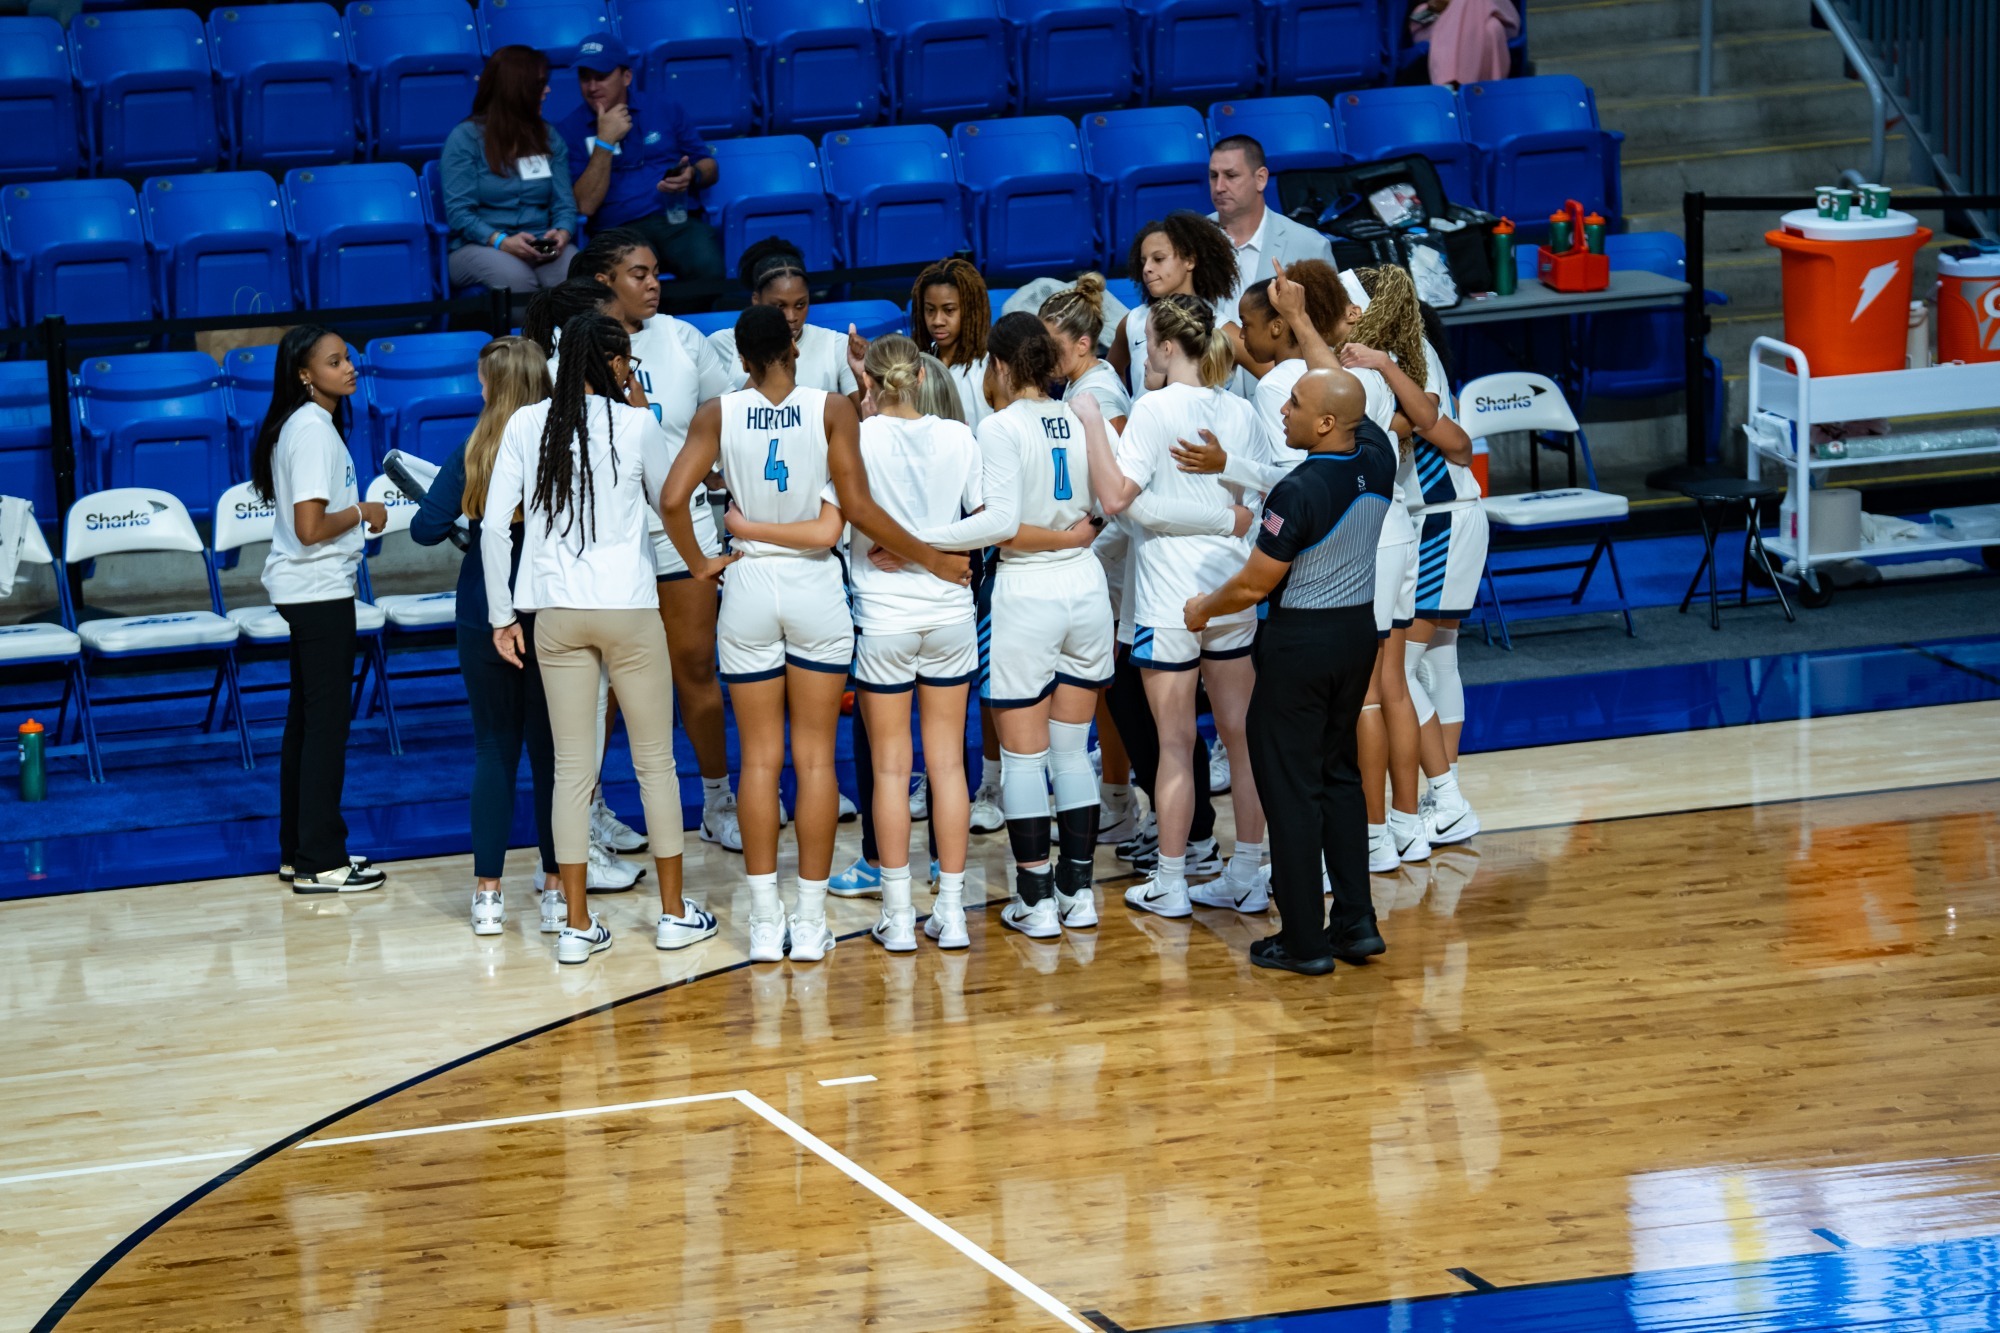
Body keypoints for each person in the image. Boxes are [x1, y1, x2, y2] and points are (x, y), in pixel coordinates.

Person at [663, 306, 969, 964]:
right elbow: (854, 509)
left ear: (742, 359)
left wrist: (699, 561)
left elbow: (669, 498)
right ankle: (809, 921)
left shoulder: (717, 412)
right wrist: (934, 557)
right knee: (816, 760)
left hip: (746, 585)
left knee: (760, 761)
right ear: (793, 350)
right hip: (814, 587)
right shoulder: (831, 408)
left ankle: (766, 922)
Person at [482, 312, 713, 965]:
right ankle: (672, 915)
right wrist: (639, 407)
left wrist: (503, 614)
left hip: (556, 612)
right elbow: (672, 500)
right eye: (627, 363)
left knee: (572, 772)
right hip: (629, 609)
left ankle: (576, 924)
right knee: (655, 766)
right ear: (613, 363)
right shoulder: (636, 423)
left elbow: (497, 527)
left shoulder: (529, 423)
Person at [1184, 367, 1395, 976]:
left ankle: (1303, 940)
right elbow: (1349, 391)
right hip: (1357, 636)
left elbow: (1254, 583)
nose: (1283, 412)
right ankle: (1355, 923)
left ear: (1326, 422)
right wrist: (1304, 323)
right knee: (1339, 776)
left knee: (1290, 789)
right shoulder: (1377, 457)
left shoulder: (1297, 491)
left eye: (1296, 405)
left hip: (1300, 643)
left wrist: (1203, 608)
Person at [915, 313, 1111, 938]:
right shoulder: (1081, 416)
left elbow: (997, 522)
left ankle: (1037, 899)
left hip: (1028, 589)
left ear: (997, 366)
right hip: (1086, 582)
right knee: (1073, 752)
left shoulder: (999, 427)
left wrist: (920, 538)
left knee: (1025, 761)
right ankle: (1078, 893)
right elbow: (1111, 501)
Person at [1080, 295, 1269, 920]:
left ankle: (1169, 880)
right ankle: (1246, 871)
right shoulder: (1240, 410)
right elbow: (1255, 496)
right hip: (1229, 587)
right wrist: (1222, 518)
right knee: (1240, 740)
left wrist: (1088, 424)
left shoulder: (1152, 409)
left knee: (1174, 743)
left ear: (1162, 346)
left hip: (1168, 598)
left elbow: (1114, 498)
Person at [564, 231, 742, 854]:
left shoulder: (683, 339)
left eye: (655, 271)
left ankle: (719, 801)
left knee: (695, 666)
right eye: (638, 273)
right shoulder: (565, 345)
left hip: (682, 527)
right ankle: (590, 810)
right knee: (604, 683)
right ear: (605, 282)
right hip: (606, 537)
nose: (652, 283)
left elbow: (725, 417)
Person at [411, 337, 590, 935]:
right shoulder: (567, 441)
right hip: (552, 605)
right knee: (551, 755)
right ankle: (554, 889)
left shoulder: (475, 445)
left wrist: (471, 514)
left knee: (494, 748)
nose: (479, 390)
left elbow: (425, 530)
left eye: (483, 381)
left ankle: (488, 895)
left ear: (494, 386)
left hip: (483, 607)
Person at [845, 335, 980, 952]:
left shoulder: (857, 437)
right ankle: (950, 912)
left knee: (891, 770)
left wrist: (899, 543)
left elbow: (840, 518)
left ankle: (898, 916)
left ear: (869, 383)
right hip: (951, 611)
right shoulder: (958, 435)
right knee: (948, 765)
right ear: (923, 379)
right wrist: (933, 544)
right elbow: (988, 521)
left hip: (885, 617)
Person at [252, 325, 388, 894]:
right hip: (317, 589)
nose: (349, 367)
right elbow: (310, 529)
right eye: (334, 362)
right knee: (325, 728)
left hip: (308, 589)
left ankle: (300, 851)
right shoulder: (311, 430)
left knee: (307, 725)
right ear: (306, 375)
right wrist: (363, 512)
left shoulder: (307, 425)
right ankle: (321, 861)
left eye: (349, 358)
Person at [1041, 274, 1138, 843]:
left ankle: (1120, 802)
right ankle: (1112, 799)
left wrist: (1081, 537)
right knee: (1098, 686)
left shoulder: (1100, 395)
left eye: (1052, 344)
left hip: (1108, 562)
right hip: (1092, 561)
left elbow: (1118, 488)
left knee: (1108, 688)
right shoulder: (1081, 386)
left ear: (1082, 344)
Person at [555, 33, 725, 284]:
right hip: (617, 231)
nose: (591, 88)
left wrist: (693, 175)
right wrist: (605, 141)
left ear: (626, 77)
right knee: (631, 281)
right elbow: (585, 205)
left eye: (601, 77)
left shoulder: (664, 108)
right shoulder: (570, 130)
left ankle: (679, 322)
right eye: (584, 78)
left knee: (707, 266)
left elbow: (710, 166)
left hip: (672, 221)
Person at [441, 46, 579, 295]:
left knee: (576, 274)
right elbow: (459, 213)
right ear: (516, 90)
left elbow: (565, 205)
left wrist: (562, 232)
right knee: (517, 280)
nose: (547, 91)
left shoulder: (549, 137)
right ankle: (528, 336)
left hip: (540, 243)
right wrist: (502, 241)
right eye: (539, 84)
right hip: (481, 244)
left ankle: (571, 336)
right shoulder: (465, 138)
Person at [1106, 212, 1240, 405]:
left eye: (1158, 259)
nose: (1147, 269)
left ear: (1190, 261)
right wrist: (1121, 416)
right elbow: (1110, 375)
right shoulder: (1133, 321)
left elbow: (1275, 372)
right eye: (1143, 262)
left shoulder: (1220, 326)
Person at [707, 238, 861, 400]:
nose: (791, 317)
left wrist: (862, 375)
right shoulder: (721, 345)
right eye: (780, 306)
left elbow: (864, 417)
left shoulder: (837, 345)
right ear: (756, 300)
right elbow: (718, 417)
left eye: (800, 305)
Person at [1206, 135, 1335, 322]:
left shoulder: (1310, 246)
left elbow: (1329, 327)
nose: (1219, 187)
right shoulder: (1187, 241)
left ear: (1260, 178)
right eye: (1213, 176)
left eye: (1231, 176)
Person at [909, 257, 994, 429]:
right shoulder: (915, 363)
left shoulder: (990, 366)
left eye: (949, 310)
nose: (937, 320)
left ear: (971, 310)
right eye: (930, 310)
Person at [1414, 0, 1521, 87]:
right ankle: (1488, 91)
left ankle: (1450, 84)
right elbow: (1417, 20)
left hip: (1494, 11)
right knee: (1493, 28)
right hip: (1435, 22)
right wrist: (1443, 4)